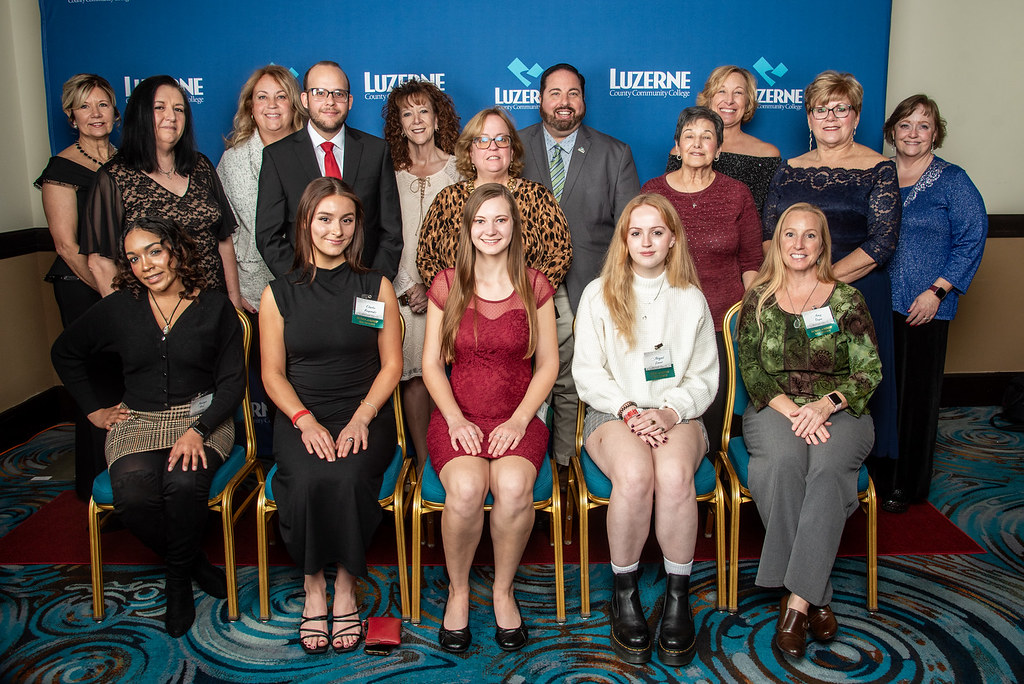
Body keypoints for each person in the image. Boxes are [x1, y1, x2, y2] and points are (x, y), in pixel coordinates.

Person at [51, 217, 245, 637]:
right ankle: (193, 565)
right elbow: (65, 352)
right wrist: (92, 411)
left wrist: (200, 428)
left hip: (202, 419)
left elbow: (233, 383)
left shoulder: (214, 307)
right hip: (137, 419)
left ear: (175, 249)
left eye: (154, 251)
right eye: (134, 258)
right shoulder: (120, 306)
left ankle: (176, 585)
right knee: (134, 497)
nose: (146, 265)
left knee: (181, 484)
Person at [573, 193, 718, 666]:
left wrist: (671, 412)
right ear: (624, 240)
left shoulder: (691, 297)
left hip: (679, 414)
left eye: (657, 232)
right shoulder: (598, 293)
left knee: (674, 476)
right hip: (613, 412)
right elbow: (588, 374)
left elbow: (703, 377)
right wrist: (631, 410)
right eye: (636, 232)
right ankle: (625, 593)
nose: (646, 241)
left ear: (672, 239)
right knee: (635, 477)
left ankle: (678, 598)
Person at [260, 178, 402, 654]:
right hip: (302, 415)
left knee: (345, 476)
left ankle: (343, 586)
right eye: (324, 219)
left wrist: (362, 417)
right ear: (305, 223)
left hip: (365, 409)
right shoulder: (278, 294)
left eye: (346, 219)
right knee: (304, 480)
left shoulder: (373, 285)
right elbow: (273, 374)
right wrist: (305, 420)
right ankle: (312, 588)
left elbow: (393, 365)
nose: (335, 230)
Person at [737, 203, 881, 658]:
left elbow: (869, 370)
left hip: (842, 410)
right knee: (780, 464)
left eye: (810, 236)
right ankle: (819, 595)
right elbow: (753, 371)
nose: (799, 245)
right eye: (790, 235)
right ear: (778, 243)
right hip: (774, 409)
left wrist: (825, 405)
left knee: (826, 471)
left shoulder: (845, 300)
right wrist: (797, 412)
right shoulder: (758, 299)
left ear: (822, 244)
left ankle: (797, 602)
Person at [421, 183, 558, 654]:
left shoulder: (535, 284)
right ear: (468, 228)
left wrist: (521, 420)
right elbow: (432, 366)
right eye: (480, 221)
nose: (490, 230)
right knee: (464, 489)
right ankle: (458, 592)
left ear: (514, 226)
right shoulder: (447, 284)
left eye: (500, 220)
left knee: (516, 488)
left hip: (517, 418)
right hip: (459, 416)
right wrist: (456, 420)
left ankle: (502, 590)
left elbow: (549, 366)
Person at [762, 70, 901, 473]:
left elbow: (882, 243)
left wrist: (824, 284)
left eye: (841, 109)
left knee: (854, 376)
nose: (830, 117)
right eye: (820, 109)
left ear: (856, 117)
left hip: (855, 289)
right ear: (808, 119)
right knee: (796, 373)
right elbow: (770, 233)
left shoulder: (879, 169)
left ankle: (856, 467)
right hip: (791, 292)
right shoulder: (789, 168)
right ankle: (797, 452)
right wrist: (789, 284)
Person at [519, 62, 640, 469]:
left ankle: (566, 467)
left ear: (583, 100)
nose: (564, 102)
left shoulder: (614, 152)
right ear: (540, 99)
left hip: (588, 287)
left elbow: (630, 231)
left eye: (573, 93)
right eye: (555, 93)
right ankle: (528, 465)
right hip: (521, 287)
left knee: (571, 382)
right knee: (524, 378)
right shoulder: (512, 147)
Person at [882, 95, 987, 512]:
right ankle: (877, 473)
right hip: (875, 302)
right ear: (892, 131)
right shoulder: (880, 173)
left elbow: (972, 240)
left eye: (923, 126)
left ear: (935, 134)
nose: (913, 133)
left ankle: (907, 484)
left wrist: (937, 291)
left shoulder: (952, 181)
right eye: (905, 125)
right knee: (880, 391)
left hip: (923, 306)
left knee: (915, 397)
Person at [643, 105, 762, 450]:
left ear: (719, 149)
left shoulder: (737, 194)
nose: (697, 144)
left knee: (717, 411)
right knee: (666, 410)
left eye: (707, 137)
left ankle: (711, 489)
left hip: (723, 326)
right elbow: (636, 256)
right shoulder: (654, 192)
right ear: (676, 146)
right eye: (689, 136)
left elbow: (752, 261)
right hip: (664, 326)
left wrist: (748, 316)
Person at [81, 75, 242, 305]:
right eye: (159, 108)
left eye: (179, 109)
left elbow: (223, 240)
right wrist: (126, 321)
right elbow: (100, 262)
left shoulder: (201, 166)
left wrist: (234, 303)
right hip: (154, 316)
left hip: (214, 307)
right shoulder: (114, 178)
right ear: (140, 115)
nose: (171, 117)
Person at [35, 73, 121, 500]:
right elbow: (67, 246)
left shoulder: (126, 161)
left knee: (127, 382)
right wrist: (109, 296)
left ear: (116, 112)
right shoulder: (62, 168)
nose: (95, 114)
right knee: (100, 386)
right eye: (85, 107)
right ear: (71, 117)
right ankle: (95, 488)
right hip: (83, 288)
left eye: (102, 104)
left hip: (126, 286)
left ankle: (129, 478)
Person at [255, 60, 402, 280]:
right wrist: (301, 283)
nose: (330, 102)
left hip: (364, 288)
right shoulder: (278, 157)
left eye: (338, 94)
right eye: (320, 93)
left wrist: (373, 285)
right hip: (304, 288)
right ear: (304, 99)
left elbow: (390, 232)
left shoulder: (376, 151)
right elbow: (269, 236)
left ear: (349, 101)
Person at [381, 80, 461, 470]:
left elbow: (474, 238)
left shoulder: (460, 170)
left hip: (453, 291)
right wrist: (403, 287)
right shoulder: (387, 172)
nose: (416, 120)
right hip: (399, 292)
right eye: (406, 113)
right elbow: (378, 235)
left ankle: (452, 458)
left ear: (437, 116)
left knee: (452, 376)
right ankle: (426, 464)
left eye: (423, 110)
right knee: (413, 377)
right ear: (398, 123)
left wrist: (434, 286)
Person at [415, 107, 572, 292]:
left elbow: (561, 253)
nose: (493, 146)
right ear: (469, 153)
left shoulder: (537, 196)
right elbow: (426, 258)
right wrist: (456, 298)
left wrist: (526, 297)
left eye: (502, 139)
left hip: (526, 310)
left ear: (512, 151)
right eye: (482, 140)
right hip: (460, 311)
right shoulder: (447, 199)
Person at [217, 65, 305, 312]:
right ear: (251, 107)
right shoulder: (232, 161)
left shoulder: (311, 154)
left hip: (310, 288)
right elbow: (225, 234)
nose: (272, 105)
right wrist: (234, 293)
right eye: (262, 97)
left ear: (294, 104)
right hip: (253, 293)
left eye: (281, 96)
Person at [666, 66, 781, 213]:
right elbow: (667, 208)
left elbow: (769, 217)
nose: (729, 100)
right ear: (709, 98)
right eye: (721, 91)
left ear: (748, 101)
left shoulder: (767, 154)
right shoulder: (683, 151)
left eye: (738, 93)